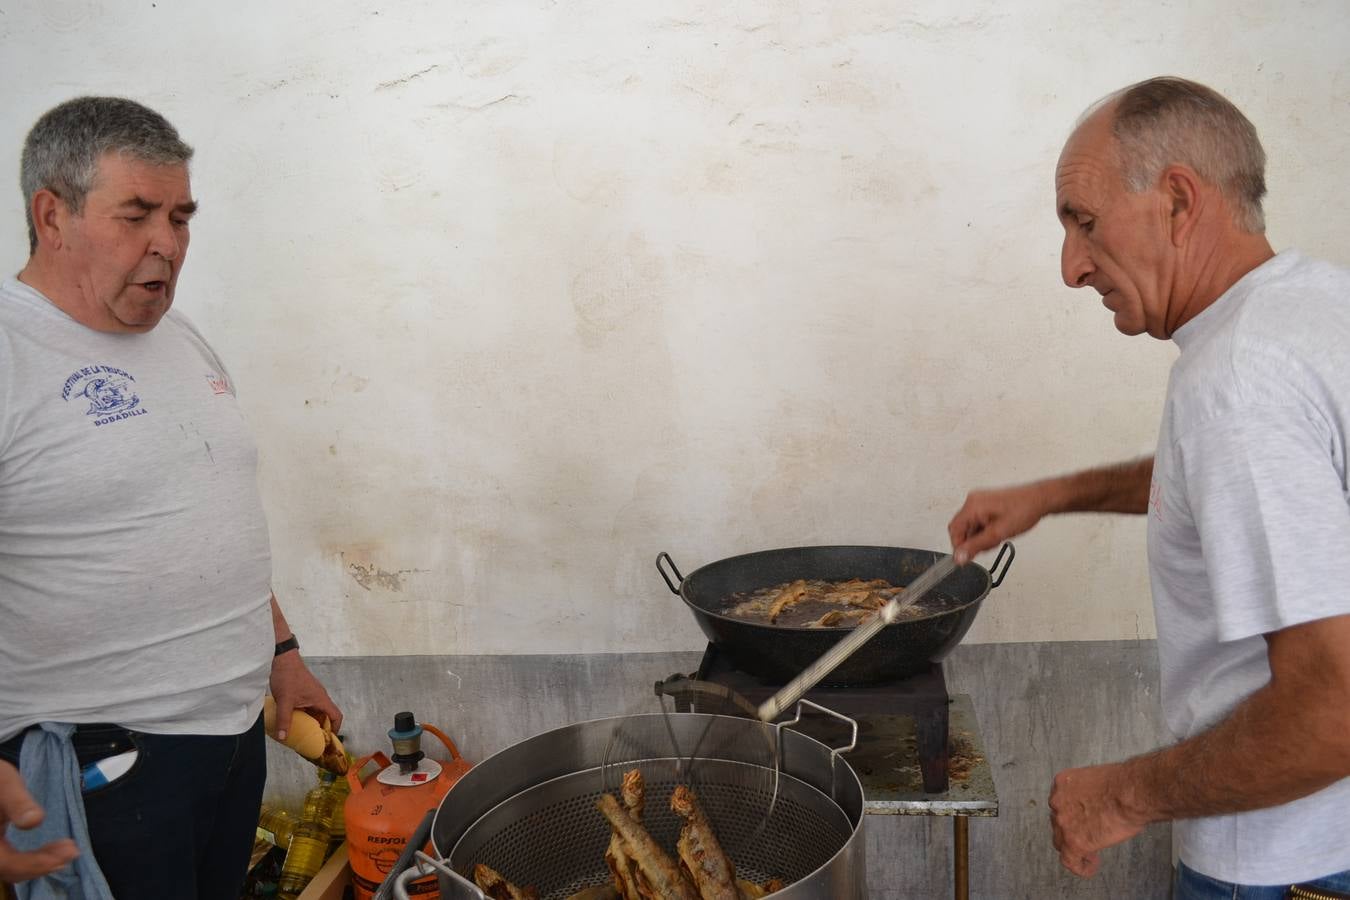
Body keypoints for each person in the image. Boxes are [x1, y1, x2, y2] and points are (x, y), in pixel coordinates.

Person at [947, 76, 1350, 896]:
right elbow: (1243, 485)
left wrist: (1119, 797)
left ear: (1177, 200)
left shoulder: (1237, 381)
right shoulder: (1316, 309)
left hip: (1284, 866)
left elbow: (1334, 710)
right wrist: (1055, 493)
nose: (1071, 267)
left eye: (1084, 224)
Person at [0, 97, 342, 897]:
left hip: (229, 736)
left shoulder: (179, 337)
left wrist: (281, 653)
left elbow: (207, 512)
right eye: (138, 215)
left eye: (182, 216)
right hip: (102, 763)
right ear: (52, 216)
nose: (169, 243)